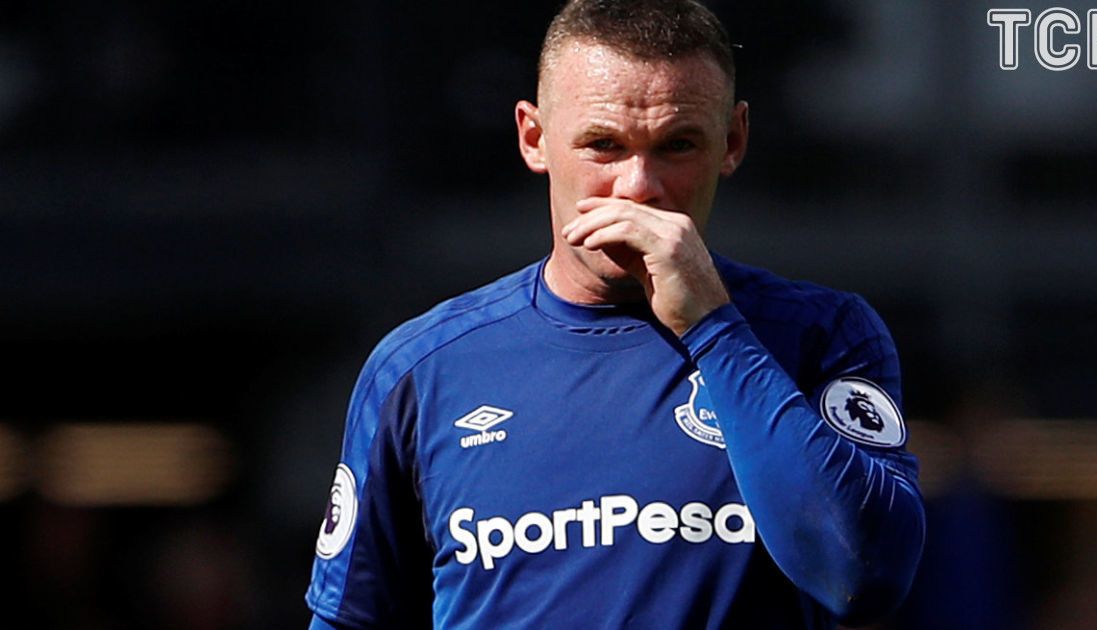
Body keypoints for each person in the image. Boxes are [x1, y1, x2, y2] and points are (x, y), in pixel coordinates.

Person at [305, 1, 925, 628]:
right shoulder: (424, 368)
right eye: (603, 145)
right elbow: (350, 620)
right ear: (534, 138)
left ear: (732, 141)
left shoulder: (819, 336)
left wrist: (712, 326)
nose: (637, 186)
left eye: (677, 145)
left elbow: (865, 576)